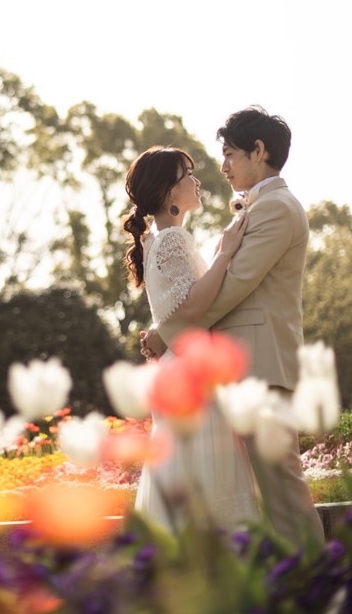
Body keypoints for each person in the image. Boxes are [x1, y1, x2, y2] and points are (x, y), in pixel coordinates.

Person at [141, 106, 324, 544]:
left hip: (260, 368)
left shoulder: (276, 208)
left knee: (283, 494)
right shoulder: (255, 209)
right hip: (238, 373)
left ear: (259, 151)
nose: (221, 166)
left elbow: (232, 287)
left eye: (230, 154)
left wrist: (165, 332)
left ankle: (321, 593)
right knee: (265, 499)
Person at [123, 145, 260, 534]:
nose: (197, 181)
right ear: (169, 191)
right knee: (209, 483)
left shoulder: (163, 241)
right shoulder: (171, 242)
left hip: (179, 370)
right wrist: (227, 253)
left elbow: (175, 311)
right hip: (192, 378)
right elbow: (195, 307)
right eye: (188, 174)